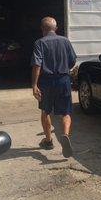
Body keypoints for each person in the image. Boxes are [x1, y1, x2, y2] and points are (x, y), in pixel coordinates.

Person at [31, 17, 77, 157]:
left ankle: (49, 140)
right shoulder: (65, 41)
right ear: (55, 29)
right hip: (63, 80)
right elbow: (73, 61)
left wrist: (34, 85)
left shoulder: (39, 43)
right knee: (65, 112)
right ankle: (65, 135)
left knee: (45, 111)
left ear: (42, 29)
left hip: (46, 81)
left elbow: (37, 64)